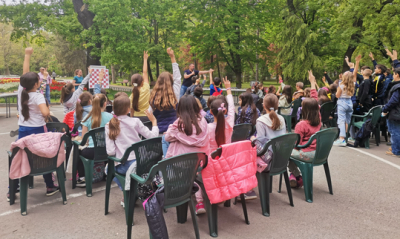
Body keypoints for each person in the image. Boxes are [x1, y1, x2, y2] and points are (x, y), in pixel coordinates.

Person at [8, 47, 59, 201]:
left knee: (18, 157)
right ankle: (49, 185)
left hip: (23, 131)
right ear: (37, 84)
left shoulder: (21, 91)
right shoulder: (37, 96)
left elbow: (25, 73)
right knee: (43, 156)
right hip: (38, 131)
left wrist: (27, 55)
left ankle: (13, 189)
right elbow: (44, 113)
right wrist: (47, 111)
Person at [105, 95, 159, 206]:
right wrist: (154, 122)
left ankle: (127, 192)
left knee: (107, 169)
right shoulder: (136, 121)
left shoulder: (109, 125)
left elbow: (110, 152)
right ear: (128, 109)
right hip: (143, 163)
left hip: (126, 164)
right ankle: (132, 192)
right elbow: (153, 137)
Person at [194, 77, 234, 213]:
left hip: (210, 166)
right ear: (226, 111)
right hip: (226, 165)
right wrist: (228, 90)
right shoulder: (229, 125)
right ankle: (220, 194)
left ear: (210, 112)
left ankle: (199, 202)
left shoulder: (207, 127)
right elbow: (233, 109)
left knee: (196, 171)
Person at [246, 93, 287, 199]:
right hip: (282, 160)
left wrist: (253, 139)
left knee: (246, 157)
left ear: (264, 106)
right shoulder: (282, 118)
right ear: (277, 105)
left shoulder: (261, 121)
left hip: (267, 161)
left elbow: (260, 145)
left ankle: (249, 189)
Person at [288, 70, 321, 188]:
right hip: (320, 153)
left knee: (286, 153)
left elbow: (297, 145)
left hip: (307, 153)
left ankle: (297, 176)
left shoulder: (301, 125)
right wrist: (312, 82)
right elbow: (315, 100)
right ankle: (294, 176)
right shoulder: (318, 120)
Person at [76, 94, 113, 187]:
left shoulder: (87, 118)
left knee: (77, 151)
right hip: (108, 150)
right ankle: (106, 173)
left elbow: (84, 139)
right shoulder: (111, 117)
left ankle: (82, 177)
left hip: (92, 152)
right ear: (105, 104)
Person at [149, 47, 181, 134]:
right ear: (171, 81)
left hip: (159, 132)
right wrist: (172, 57)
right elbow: (178, 78)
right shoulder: (175, 93)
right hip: (173, 132)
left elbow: (149, 113)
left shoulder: (153, 97)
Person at [333, 56, 358, 146]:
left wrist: (337, 92)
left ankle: (341, 138)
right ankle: (346, 137)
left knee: (341, 120)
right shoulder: (353, 84)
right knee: (347, 121)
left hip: (342, 102)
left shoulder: (342, 85)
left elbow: (337, 95)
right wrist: (357, 62)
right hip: (349, 102)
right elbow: (354, 73)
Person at [382, 67, 400, 157]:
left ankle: (396, 150)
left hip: (395, 113)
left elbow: (393, 101)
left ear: (397, 75)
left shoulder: (397, 87)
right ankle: (395, 147)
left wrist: (385, 109)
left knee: (394, 132)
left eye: (394, 74)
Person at [130, 51, 150, 122]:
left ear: (132, 83)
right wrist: (145, 59)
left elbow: (131, 111)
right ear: (142, 82)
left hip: (135, 119)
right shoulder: (146, 88)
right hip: (147, 117)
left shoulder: (132, 96)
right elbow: (145, 72)